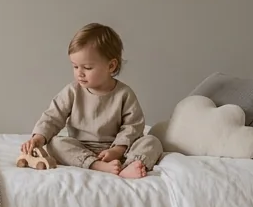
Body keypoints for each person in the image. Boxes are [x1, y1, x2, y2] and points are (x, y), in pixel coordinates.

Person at [20, 23, 163, 178]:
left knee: (152, 141)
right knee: (55, 144)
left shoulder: (124, 94)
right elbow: (53, 116)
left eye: (87, 68)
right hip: (81, 147)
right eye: (75, 67)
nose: (79, 73)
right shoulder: (72, 91)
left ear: (111, 66)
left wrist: (117, 150)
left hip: (117, 148)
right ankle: (97, 165)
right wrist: (39, 137)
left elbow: (133, 126)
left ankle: (130, 166)